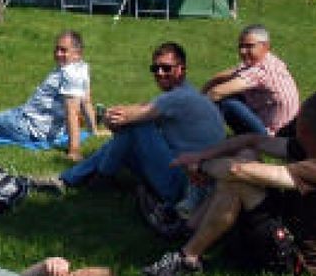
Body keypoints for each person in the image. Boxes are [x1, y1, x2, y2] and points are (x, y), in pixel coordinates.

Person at [144, 92, 316, 276]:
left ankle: (187, 257)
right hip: (289, 223)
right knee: (247, 156)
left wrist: (200, 166)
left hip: (297, 260)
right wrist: (201, 155)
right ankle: (188, 230)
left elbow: (238, 171)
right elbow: (253, 141)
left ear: (302, 129)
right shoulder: (315, 146)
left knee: (238, 183)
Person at [59, 42, 226, 205]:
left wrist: (111, 117)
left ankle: (94, 178)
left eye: (166, 68)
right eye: (155, 69)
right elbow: (144, 108)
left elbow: (125, 118)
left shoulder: (177, 98)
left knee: (137, 127)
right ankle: (82, 177)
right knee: (130, 136)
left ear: (181, 69)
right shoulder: (188, 94)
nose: (160, 73)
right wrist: (122, 117)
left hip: (186, 186)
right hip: (198, 177)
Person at [0, 30, 102, 161]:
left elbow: (73, 112)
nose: (58, 54)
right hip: (27, 119)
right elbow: (86, 102)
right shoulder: (81, 68)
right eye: (56, 49)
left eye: (63, 50)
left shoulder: (70, 74)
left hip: (26, 126)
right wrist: (93, 130)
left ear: (77, 53)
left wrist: (74, 151)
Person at [200, 25, 299, 135]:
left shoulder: (261, 70)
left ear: (265, 46)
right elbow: (228, 74)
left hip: (273, 135)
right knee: (232, 94)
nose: (243, 51)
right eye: (241, 46)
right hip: (287, 128)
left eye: (249, 46)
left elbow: (217, 92)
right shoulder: (268, 60)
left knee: (226, 102)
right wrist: (208, 85)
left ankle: (200, 137)